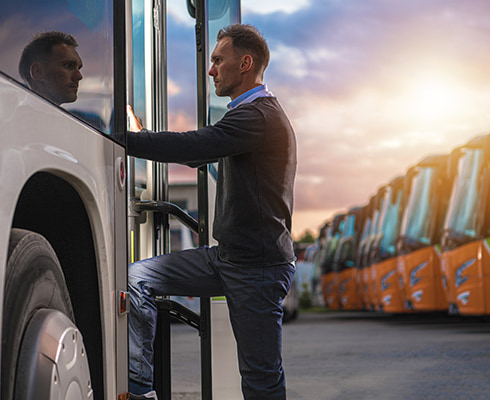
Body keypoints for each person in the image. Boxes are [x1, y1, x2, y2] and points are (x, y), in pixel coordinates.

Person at [127, 24, 297, 400]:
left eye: (218, 60)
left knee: (260, 380)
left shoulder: (258, 117)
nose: (211, 69)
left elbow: (197, 143)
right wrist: (143, 135)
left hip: (258, 269)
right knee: (137, 278)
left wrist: (125, 139)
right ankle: (140, 388)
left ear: (246, 63)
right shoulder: (244, 118)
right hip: (227, 259)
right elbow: (200, 151)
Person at [19, 31, 83, 105]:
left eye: (79, 68)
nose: (79, 76)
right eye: (69, 66)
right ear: (38, 72)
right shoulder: (26, 116)